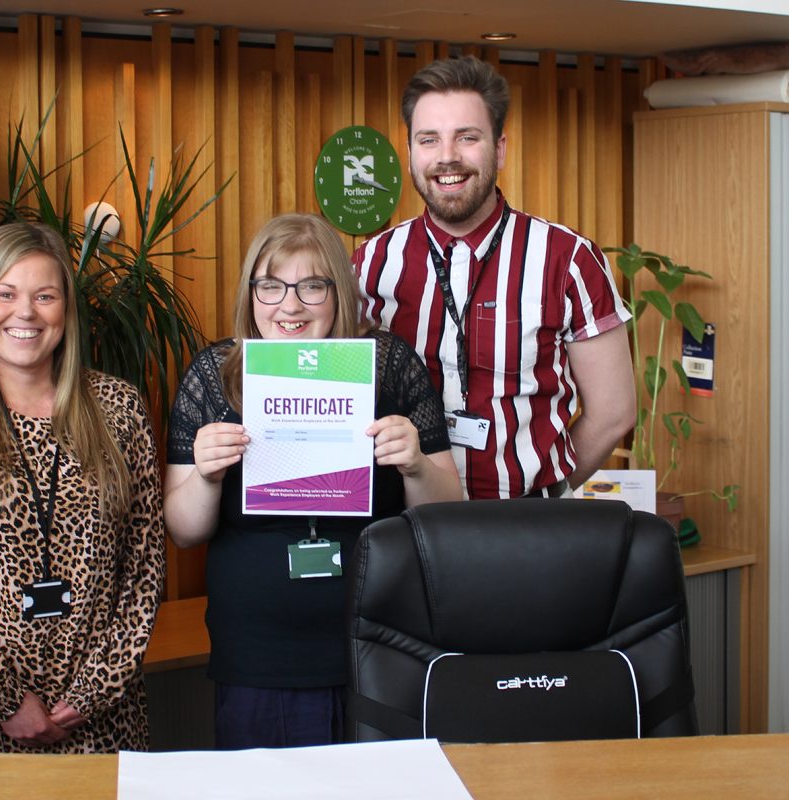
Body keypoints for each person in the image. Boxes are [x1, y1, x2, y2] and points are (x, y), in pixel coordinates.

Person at [164, 213, 461, 749]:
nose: (290, 305)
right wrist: (206, 475)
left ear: (339, 292)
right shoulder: (216, 374)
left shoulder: (390, 365)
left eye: (312, 285)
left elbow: (445, 511)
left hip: (376, 645)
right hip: (259, 654)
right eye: (271, 285)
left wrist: (415, 465)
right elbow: (184, 530)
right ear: (251, 293)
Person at [0, 222, 166, 754]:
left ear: (65, 311)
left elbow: (144, 566)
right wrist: (2, 700)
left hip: (99, 719)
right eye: (5, 293)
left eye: (45, 296)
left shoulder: (119, 410)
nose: (25, 312)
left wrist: (91, 693)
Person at [353, 56, 636, 500]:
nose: (447, 157)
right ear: (409, 151)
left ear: (499, 148)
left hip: (526, 528)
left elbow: (614, 412)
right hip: (405, 527)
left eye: (467, 138)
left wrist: (545, 494)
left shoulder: (568, 260)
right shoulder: (369, 264)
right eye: (429, 140)